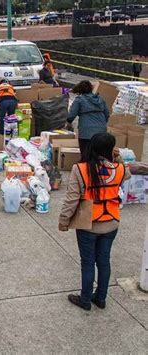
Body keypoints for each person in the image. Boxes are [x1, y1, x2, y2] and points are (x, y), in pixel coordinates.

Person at [59, 133, 130, 311]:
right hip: (111, 222)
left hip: (89, 224)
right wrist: (117, 157)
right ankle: (101, 298)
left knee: (88, 262)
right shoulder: (119, 169)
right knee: (104, 261)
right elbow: (127, 174)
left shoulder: (81, 169)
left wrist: (64, 221)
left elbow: (71, 199)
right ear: (110, 150)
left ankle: (84, 300)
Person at [65, 80, 110, 157]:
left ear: (80, 89)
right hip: (101, 133)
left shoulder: (79, 100)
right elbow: (107, 115)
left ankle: (88, 168)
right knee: (99, 156)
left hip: (86, 134)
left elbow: (71, 116)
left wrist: (68, 123)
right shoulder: (101, 99)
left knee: (86, 156)